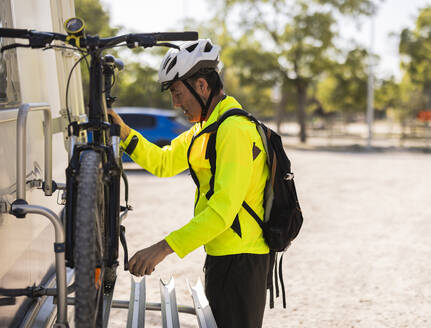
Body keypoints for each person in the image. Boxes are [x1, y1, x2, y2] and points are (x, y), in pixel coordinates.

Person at [109, 39, 270, 328]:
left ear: (202, 86)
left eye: (178, 93)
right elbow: (164, 161)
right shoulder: (204, 129)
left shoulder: (233, 130)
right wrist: (124, 133)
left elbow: (222, 211)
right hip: (223, 256)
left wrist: (162, 248)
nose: (175, 103)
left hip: (243, 260)